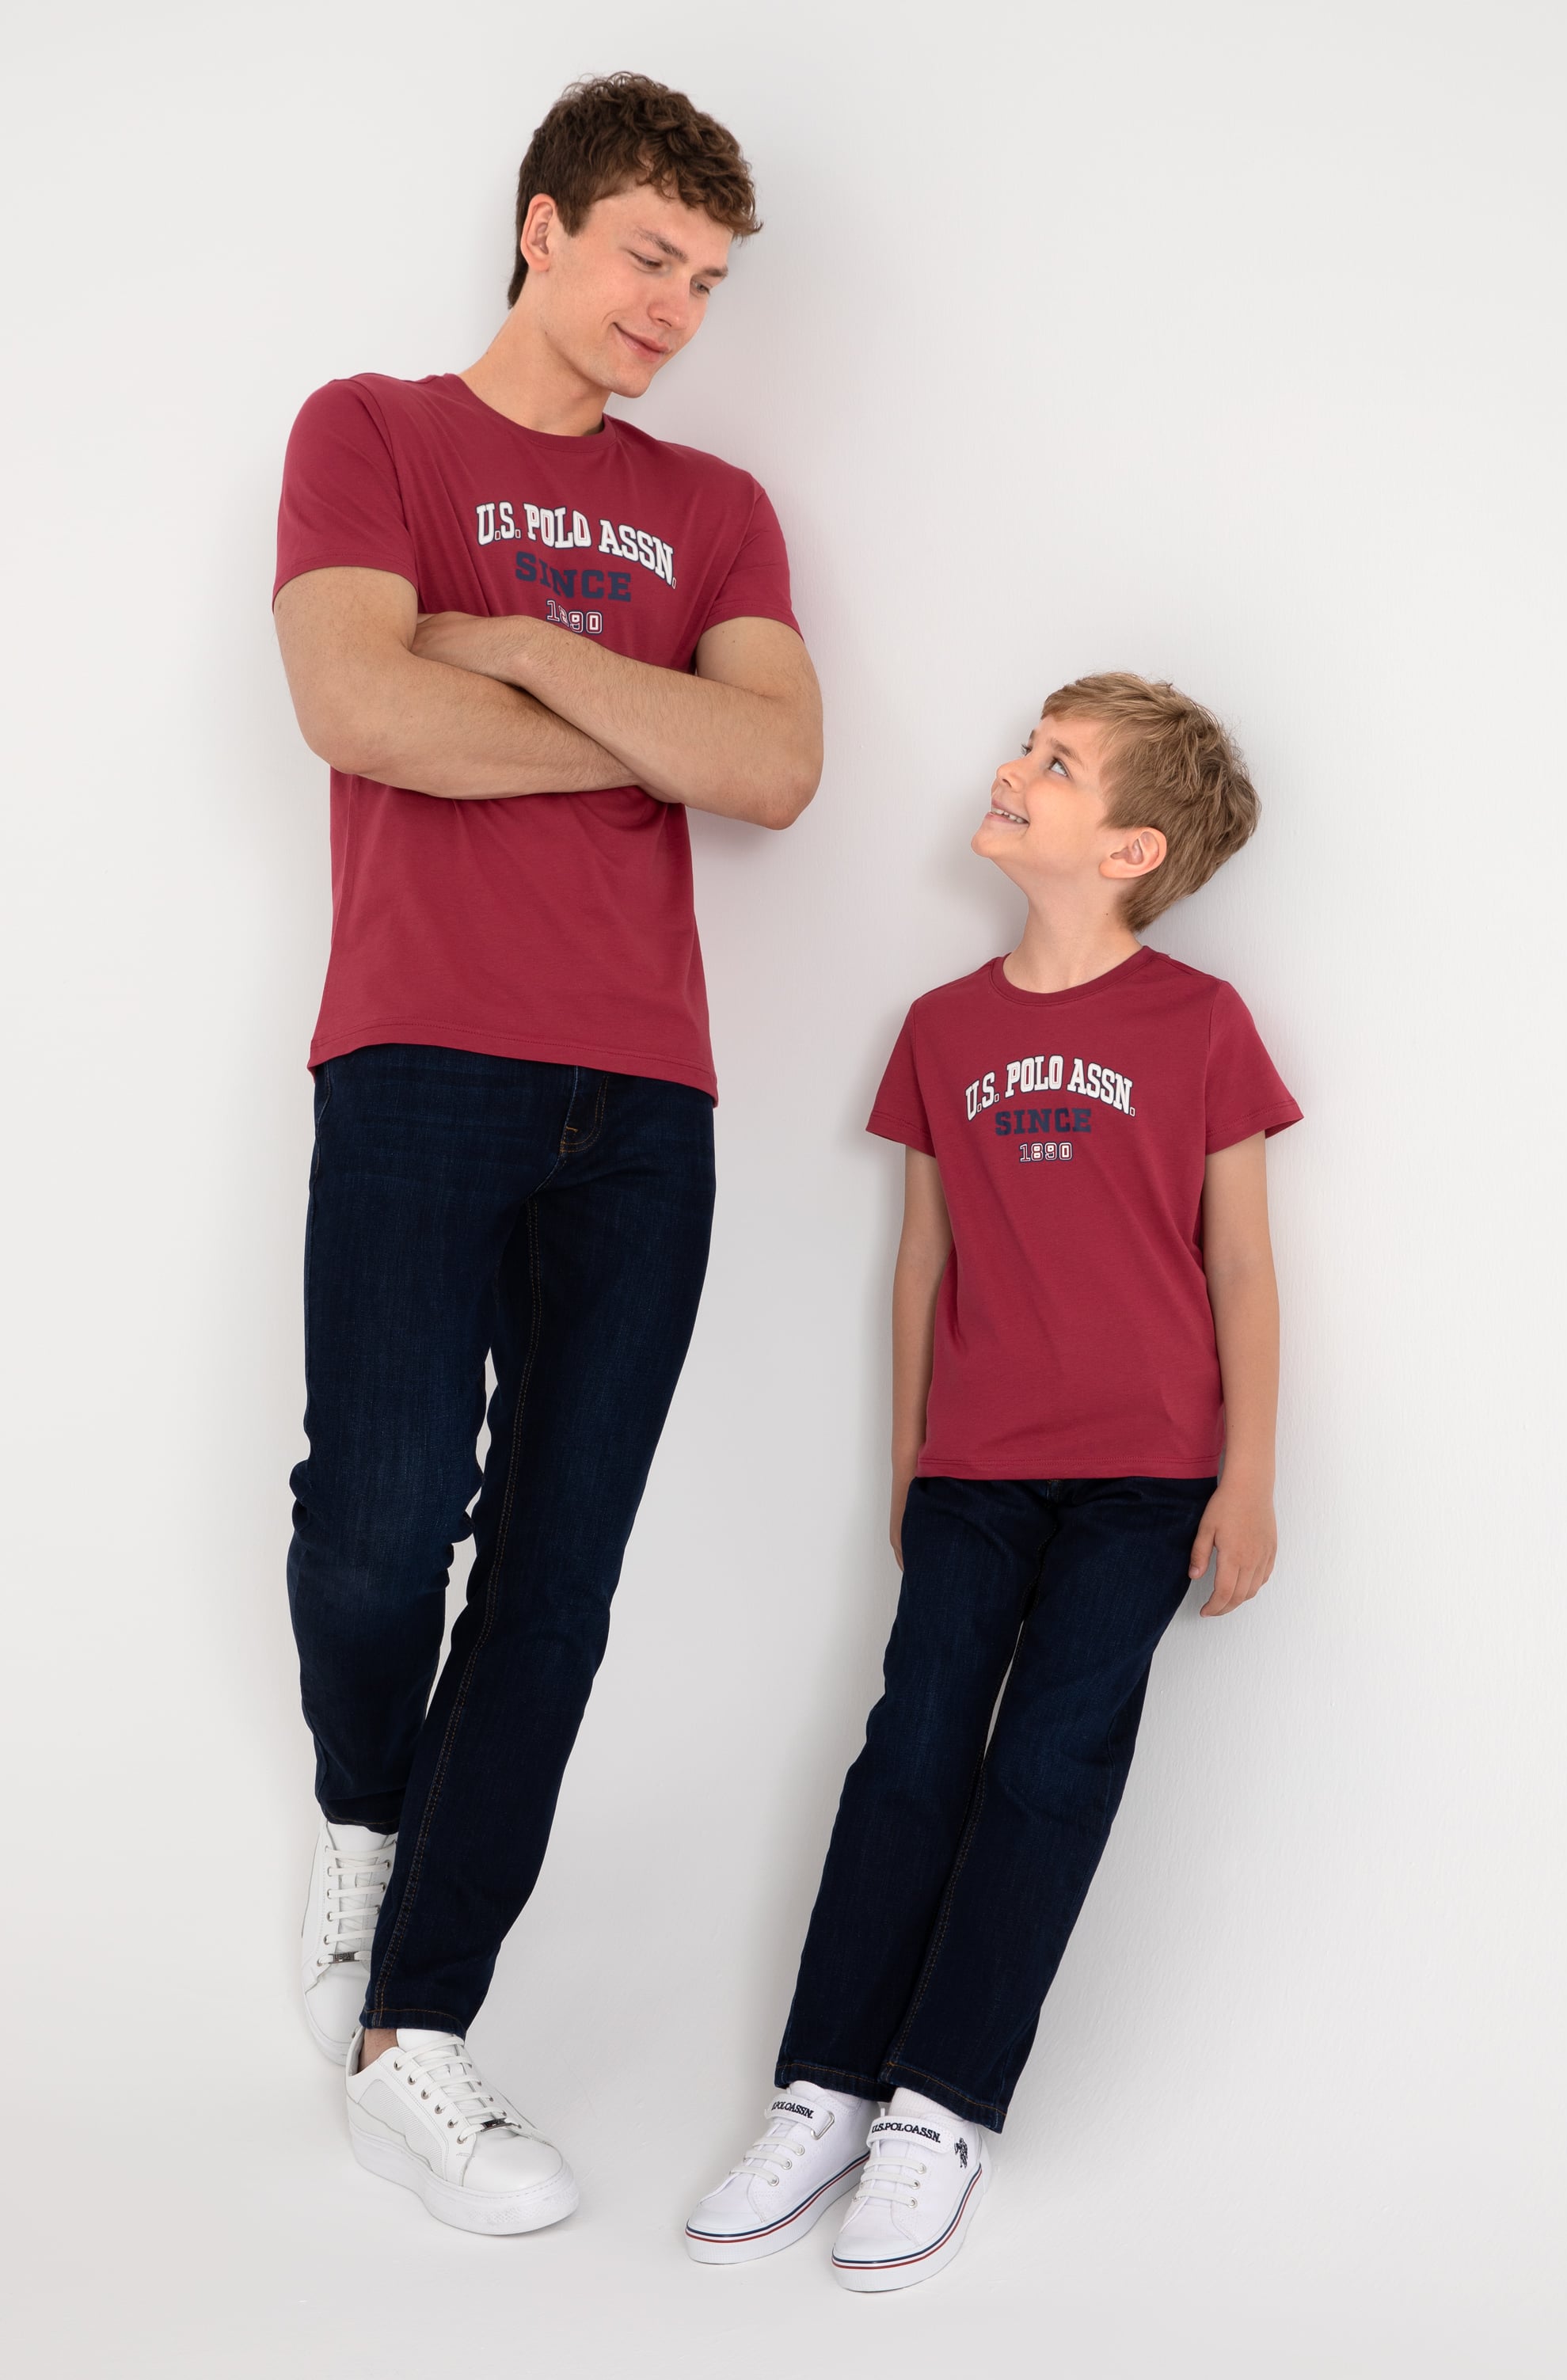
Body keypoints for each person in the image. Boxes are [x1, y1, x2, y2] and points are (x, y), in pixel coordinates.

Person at [274, 72, 821, 2237]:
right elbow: (357, 708)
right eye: (646, 255)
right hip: (419, 1051)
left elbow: (771, 769)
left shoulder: (721, 505)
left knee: (558, 1577)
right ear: (541, 227)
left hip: (648, 1097)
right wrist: (633, 718)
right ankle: (364, 1808)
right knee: (376, 1525)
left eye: (707, 279)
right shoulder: (371, 431)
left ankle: (416, 2035)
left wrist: (506, 642)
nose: (673, 305)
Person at [687, 672, 1300, 2289]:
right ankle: (827, 2085)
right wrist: (909, 1456)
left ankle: (940, 2106)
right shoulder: (943, 1027)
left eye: (1059, 763)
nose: (1015, 769)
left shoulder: (1202, 1023)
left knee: (1045, 1769)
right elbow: (922, 1259)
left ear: (1131, 848)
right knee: (910, 1753)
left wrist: (1248, 1477)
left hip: (1145, 1479)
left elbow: (1243, 1266)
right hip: (973, 1470)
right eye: (1029, 745)